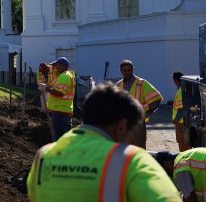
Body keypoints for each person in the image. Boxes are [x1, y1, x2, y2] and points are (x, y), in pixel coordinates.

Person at [27, 82, 181, 202]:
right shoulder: (131, 161)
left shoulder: (43, 156)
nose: (130, 140)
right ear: (121, 127)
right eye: (131, 133)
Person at [116, 59, 163, 149]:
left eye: (129, 70)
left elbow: (156, 99)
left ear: (133, 69)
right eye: (124, 70)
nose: (127, 72)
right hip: (123, 123)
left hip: (138, 122)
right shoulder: (118, 85)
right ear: (121, 71)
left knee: (139, 148)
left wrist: (145, 114)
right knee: (125, 149)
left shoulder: (142, 83)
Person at [43, 57, 75, 141]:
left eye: (56, 65)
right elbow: (53, 87)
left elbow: (60, 93)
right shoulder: (66, 75)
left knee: (59, 138)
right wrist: (46, 86)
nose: (55, 67)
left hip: (60, 112)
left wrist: (46, 89)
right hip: (64, 111)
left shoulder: (64, 76)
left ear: (63, 66)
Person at [172, 71, 190, 151]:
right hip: (184, 121)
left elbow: (181, 109)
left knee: (182, 142)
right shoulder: (184, 90)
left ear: (175, 80)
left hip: (180, 122)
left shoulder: (180, 92)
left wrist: (176, 120)